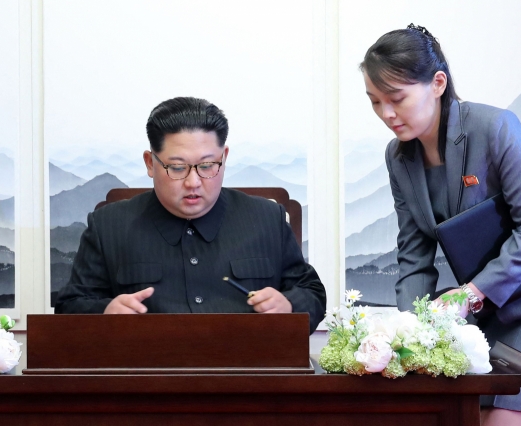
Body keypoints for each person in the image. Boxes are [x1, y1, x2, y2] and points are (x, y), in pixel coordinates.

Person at [360, 25, 521, 425]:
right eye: (375, 101)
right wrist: (408, 332)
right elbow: (414, 254)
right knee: (458, 417)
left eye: (396, 98)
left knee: (502, 420)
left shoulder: (496, 127)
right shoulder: (397, 157)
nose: (386, 114)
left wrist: (471, 293)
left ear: (437, 83)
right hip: (485, 308)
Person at [55, 96, 327, 334]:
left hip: (248, 381)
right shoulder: (109, 226)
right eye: (177, 168)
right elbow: (70, 306)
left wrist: (289, 305)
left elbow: (311, 292)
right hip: (146, 382)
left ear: (224, 157)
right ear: (151, 163)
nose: (193, 182)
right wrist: (105, 313)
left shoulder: (266, 218)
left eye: (207, 165)